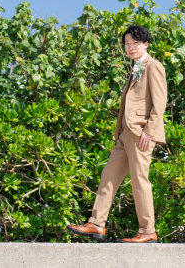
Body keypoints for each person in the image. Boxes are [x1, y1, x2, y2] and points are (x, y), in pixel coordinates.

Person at [66, 25, 167, 243]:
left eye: (135, 43)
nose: (130, 48)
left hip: (141, 133)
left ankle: (148, 231)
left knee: (140, 181)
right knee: (109, 176)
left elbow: (160, 102)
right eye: (127, 44)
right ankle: (96, 223)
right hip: (124, 134)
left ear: (146, 44)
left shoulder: (153, 66)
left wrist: (149, 131)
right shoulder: (135, 68)